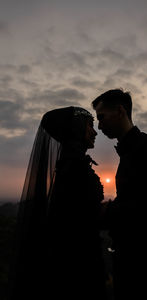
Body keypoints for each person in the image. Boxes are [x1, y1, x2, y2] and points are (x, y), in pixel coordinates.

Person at [8, 106, 108, 300]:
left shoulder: (68, 166)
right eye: (89, 125)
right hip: (78, 271)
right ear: (76, 128)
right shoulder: (75, 170)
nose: (95, 132)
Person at [92, 89, 147, 300]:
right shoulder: (133, 149)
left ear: (120, 111)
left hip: (139, 264)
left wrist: (106, 212)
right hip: (133, 259)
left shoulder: (146, 147)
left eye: (101, 117)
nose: (99, 125)